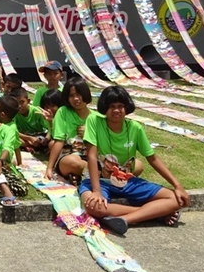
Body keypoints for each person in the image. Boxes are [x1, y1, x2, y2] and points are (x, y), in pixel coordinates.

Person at [80, 86, 189, 236]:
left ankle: (125, 220)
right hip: (99, 181)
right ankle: (154, 214)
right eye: (112, 106)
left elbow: (153, 158)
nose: (116, 110)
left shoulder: (135, 128)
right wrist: (97, 191)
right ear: (105, 108)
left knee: (176, 199)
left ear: (127, 107)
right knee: (93, 207)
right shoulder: (94, 121)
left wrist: (177, 185)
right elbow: (91, 156)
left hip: (127, 181)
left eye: (120, 106)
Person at [45, 76, 92, 183]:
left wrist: (88, 133)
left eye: (79, 94)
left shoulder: (96, 117)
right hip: (70, 155)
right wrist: (49, 168)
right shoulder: (63, 112)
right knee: (71, 162)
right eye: (71, 95)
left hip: (93, 157)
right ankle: (97, 173)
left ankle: (84, 174)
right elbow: (59, 141)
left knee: (138, 165)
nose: (76, 98)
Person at [12, 87, 51, 152]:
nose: (19, 106)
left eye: (22, 102)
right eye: (16, 103)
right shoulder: (14, 113)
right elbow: (14, 131)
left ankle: (32, 146)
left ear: (28, 101)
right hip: (25, 136)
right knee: (13, 138)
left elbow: (50, 128)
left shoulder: (36, 111)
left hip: (38, 136)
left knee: (46, 140)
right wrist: (29, 138)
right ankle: (31, 146)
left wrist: (46, 139)